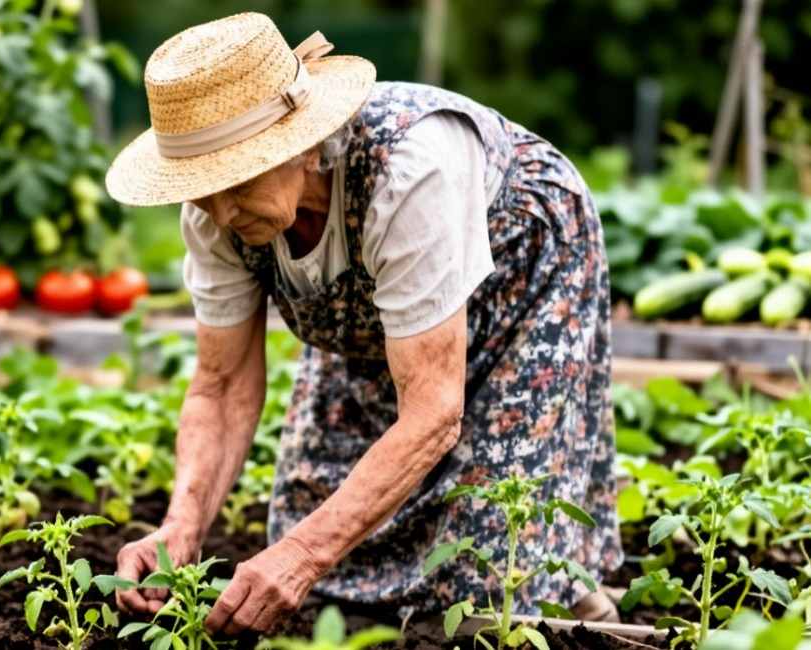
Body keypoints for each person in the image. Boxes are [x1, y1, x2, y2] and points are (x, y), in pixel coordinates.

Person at [103, 12, 622, 636]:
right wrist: (179, 528)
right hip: (377, 304)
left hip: (521, 266)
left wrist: (301, 556)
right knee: (311, 523)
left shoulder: (408, 169)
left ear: (298, 144)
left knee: (487, 564)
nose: (218, 209)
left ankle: (574, 601)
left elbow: (433, 411)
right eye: (199, 187)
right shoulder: (220, 215)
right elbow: (220, 385)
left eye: (233, 179)